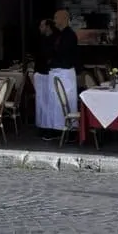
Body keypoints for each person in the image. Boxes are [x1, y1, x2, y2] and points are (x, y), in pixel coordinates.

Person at [36, 10, 78, 141]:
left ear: (63, 18)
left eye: (55, 17)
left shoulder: (70, 35)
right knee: (54, 104)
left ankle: (68, 130)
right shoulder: (60, 34)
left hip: (64, 73)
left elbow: (62, 53)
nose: (54, 20)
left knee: (64, 102)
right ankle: (55, 129)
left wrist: (51, 59)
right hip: (56, 72)